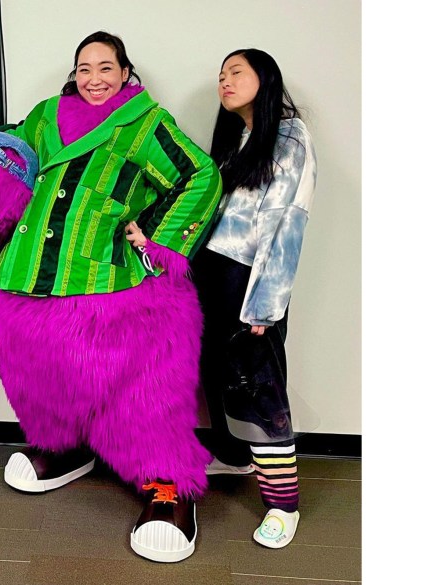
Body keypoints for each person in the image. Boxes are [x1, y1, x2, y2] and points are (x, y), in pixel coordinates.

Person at [0, 31, 221, 562]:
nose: (95, 78)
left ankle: (166, 484)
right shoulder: (45, 115)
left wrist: (157, 237)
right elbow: (10, 158)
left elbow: (198, 175)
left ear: (124, 72)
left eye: (106, 68)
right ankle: (64, 445)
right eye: (85, 68)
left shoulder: (145, 123)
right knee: (42, 377)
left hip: (105, 282)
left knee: (141, 389)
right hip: (28, 277)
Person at [191, 48, 318, 549]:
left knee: (258, 388)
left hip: (248, 280)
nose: (224, 81)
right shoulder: (231, 142)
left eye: (235, 72)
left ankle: (283, 507)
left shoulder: (288, 135)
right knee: (211, 373)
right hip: (209, 273)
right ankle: (234, 455)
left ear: (265, 79)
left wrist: (266, 304)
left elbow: (288, 220)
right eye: (220, 74)